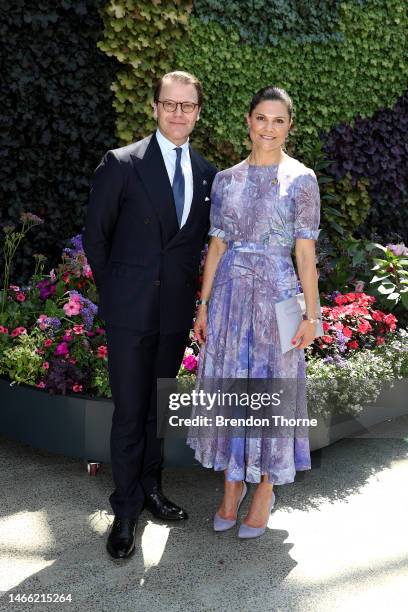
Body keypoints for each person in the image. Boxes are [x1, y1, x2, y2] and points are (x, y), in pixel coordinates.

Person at [83, 71, 217, 559]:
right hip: (130, 311)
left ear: (198, 112)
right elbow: (96, 237)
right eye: (170, 104)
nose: (178, 113)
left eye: (187, 105)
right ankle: (125, 510)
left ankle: (153, 491)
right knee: (130, 410)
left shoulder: (206, 174)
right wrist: (117, 293)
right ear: (155, 108)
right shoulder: (122, 163)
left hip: (174, 313)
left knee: (158, 408)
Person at [189, 86, 320, 539]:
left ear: (289, 126)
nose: (269, 128)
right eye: (261, 118)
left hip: (280, 299)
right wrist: (203, 305)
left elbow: (305, 252)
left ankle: (265, 487)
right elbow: (217, 244)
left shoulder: (303, 179)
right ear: (248, 121)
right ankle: (232, 482)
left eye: (278, 120)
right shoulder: (226, 180)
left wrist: (313, 315)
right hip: (228, 297)